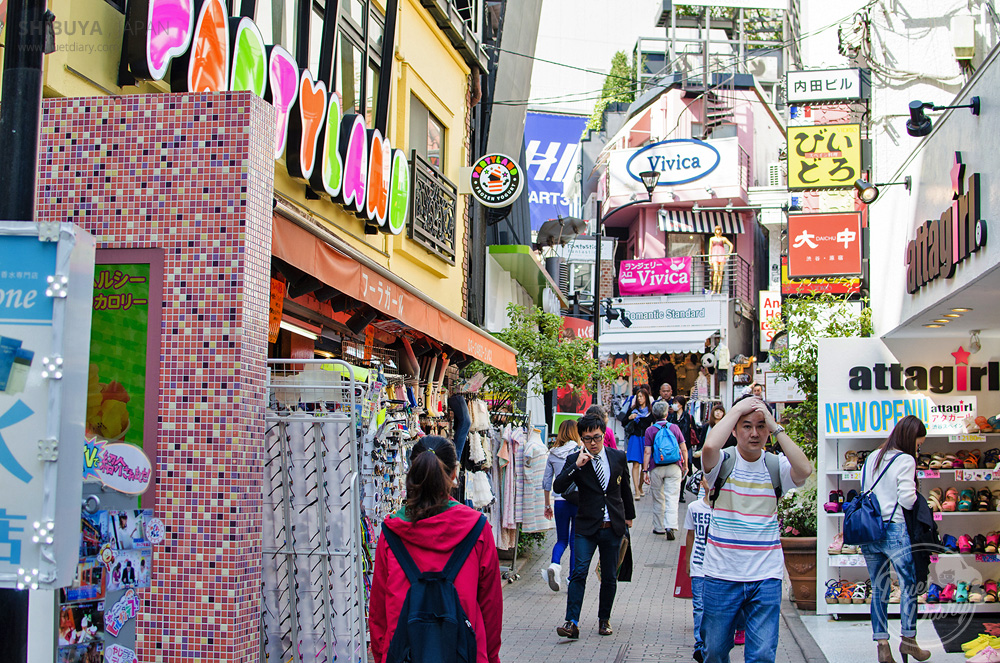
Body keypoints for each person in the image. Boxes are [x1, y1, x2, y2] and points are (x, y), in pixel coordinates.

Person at [369, 436, 502, 663]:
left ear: (413, 472)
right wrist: (489, 657)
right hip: (465, 652)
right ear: (454, 474)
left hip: (404, 653)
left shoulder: (392, 532)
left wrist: (383, 656)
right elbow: (491, 607)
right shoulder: (477, 528)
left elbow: (378, 613)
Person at [700, 396, 812, 663]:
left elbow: (805, 469)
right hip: (722, 573)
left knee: (761, 654)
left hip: (766, 574)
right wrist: (740, 407)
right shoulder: (722, 462)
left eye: (760, 426)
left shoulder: (775, 466)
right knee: (714, 651)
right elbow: (709, 446)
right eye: (747, 426)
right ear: (735, 429)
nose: (754, 433)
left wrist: (775, 426)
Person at [553, 413, 635, 639]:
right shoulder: (574, 460)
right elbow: (559, 486)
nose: (593, 443)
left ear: (603, 435)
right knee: (579, 573)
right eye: (588, 439)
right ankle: (571, 622)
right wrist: (576, 466)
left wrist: (629, 517)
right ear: (581, 439)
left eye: (597, 438)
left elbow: (625, 489)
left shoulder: (617, 457)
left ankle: (604, 619)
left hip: (613, 526)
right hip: (586, 527)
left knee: (609, 576)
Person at [859, 416, 930, 663]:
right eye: (919, 443)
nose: (919, 448)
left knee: (880, 588)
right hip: (894, 529)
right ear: (912, 439)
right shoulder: (906, 459)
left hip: (869, 531)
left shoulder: (872, 457)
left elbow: (864, 490)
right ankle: (909, 641)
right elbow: (908, 499)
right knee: (909, 586)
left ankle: (882, 645)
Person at [542, 419, 582, 591]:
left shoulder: (552, 453)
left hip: (559, 501)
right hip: (577, 500)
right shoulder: (579, 451)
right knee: (575, 542)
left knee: (561, 539)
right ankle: (572, 578)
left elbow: (546, 481)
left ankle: (554, 564)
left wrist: (547, 504)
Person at [642, 400, 687, 539]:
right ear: (667, 413)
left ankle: (659, 527)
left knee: (658, 498)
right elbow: (683, 448)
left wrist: (645, 471)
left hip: (656, 468)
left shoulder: (650, 430)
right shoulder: (674, 428)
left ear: (654, 414)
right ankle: (671, 525)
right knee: (672, 497)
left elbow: (647, 452)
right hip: (674, 466)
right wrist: (685, 465)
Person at [624, 387, 652, 499]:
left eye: (641, 396)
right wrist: (630, 418)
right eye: (638, 397)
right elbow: (624, 421)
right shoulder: (632, 409)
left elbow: (652, 423)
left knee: (644, 466)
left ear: (646, 398)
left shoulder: (650, 411)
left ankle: (640, 486)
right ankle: (636, 490)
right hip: (635, 438)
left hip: (645, 439)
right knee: (635, 464)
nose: (639, 399)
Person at [669, 395, 695, 502]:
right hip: (673, 446)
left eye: (676, 402)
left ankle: (680, 493)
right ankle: (674, 491)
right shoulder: (671, 417)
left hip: (685, 445)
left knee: (684, 468)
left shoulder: (688, 417)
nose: (674, 405)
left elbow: (693, 432)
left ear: (681, 404)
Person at [708, 226, 734, 293]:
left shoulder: (723, 239)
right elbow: (710, 248)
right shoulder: (712, 239)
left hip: (721, 255)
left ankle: (719, 290)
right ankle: (714, 289)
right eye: (717, 230)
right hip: (714, 256)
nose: (718, 231)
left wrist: (729, 253)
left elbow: (731, 245)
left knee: (720, 273)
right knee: (716, 272)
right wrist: (709, 257)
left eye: (719, 230)